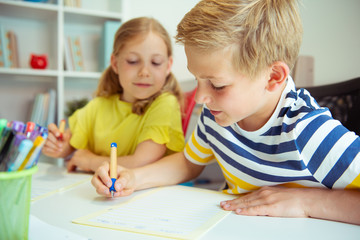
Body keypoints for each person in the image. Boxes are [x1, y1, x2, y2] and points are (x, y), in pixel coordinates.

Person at [91, 0, 360, 225]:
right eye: (197, 79)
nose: (199, 98)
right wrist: (133, 178)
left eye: (217, 85)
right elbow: (188, 163)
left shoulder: (308, 132)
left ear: (273, 77)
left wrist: (307, 201)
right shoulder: (217, 115)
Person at [42, 17, 185, 172]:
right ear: (115, 63)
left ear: (168, 65)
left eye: (156, 62)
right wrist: (56, 145)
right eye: (132, 61)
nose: (144, 72)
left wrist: (91, 161)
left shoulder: (166, 104)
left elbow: (142, 162)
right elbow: (67, 145)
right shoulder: (98, 106)